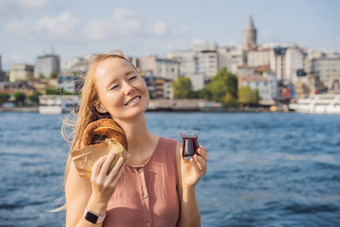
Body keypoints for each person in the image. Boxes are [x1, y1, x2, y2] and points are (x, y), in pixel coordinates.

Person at [63, 50, 207, 227]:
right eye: (115, 86)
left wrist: (188, 187)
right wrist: (98, 200)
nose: (129, 88)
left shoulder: (175, 152)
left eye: (132, 77)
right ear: (99, 104)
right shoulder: (86, 161)